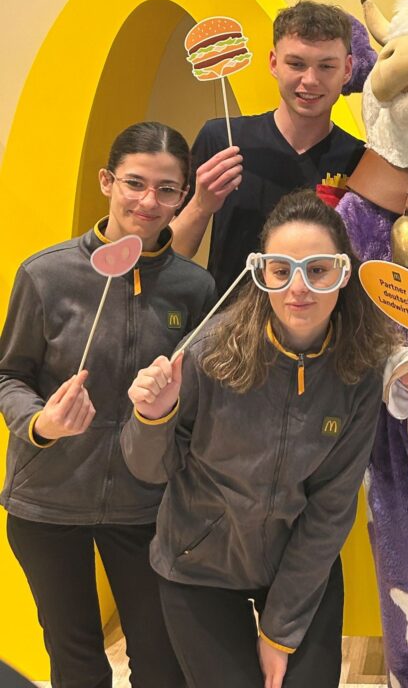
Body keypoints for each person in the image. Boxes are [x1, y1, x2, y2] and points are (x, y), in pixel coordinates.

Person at [122, 189, 398, 688]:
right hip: (198, 565)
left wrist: (279, 632)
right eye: (281, 270)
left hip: (297, 562)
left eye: (317, 269)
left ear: (342, 273)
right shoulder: (210, 351)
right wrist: (152, 418)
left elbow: (332, 507)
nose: (299, 288)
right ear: (261, 274)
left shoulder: (359, 367)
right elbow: (147, 470)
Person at [0, 121, 217, 688]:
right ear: (107, 181)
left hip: (146, 508)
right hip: (47, 504)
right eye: (135, 183)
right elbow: (8, 376)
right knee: (76, 662)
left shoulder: (194, 288)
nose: (149, 201)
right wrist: (41, 423)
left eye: (167, 189)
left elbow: (200, 404)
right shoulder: (46, 274)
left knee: (161, 663)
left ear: (183, 195)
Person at [171, 0, 373, 294]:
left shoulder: (361, 159)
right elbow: (173, 255)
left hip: (324, 330)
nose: (310, 80)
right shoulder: (221, 139)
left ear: (347, 70)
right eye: (296, 64)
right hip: (230, 330)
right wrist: (201, 205)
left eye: (326, 66)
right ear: (274, 63)